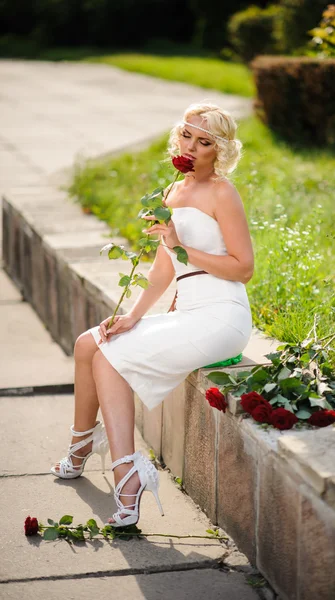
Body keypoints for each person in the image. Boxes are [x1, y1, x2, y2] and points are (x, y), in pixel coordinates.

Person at [50, 102, 255, 528]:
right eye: (187, 136)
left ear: (219, 151)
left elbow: (243, 268)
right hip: (191, 310)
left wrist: (181, 247)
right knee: (89, 343)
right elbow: (164, 271)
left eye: (205, 142)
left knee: (108, 356)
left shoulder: (222, 192)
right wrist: (132, 315)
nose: (192, 147)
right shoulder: (171, 193)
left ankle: (126, 474)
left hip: (222, 314)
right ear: (177, 137)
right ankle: (82, 444)